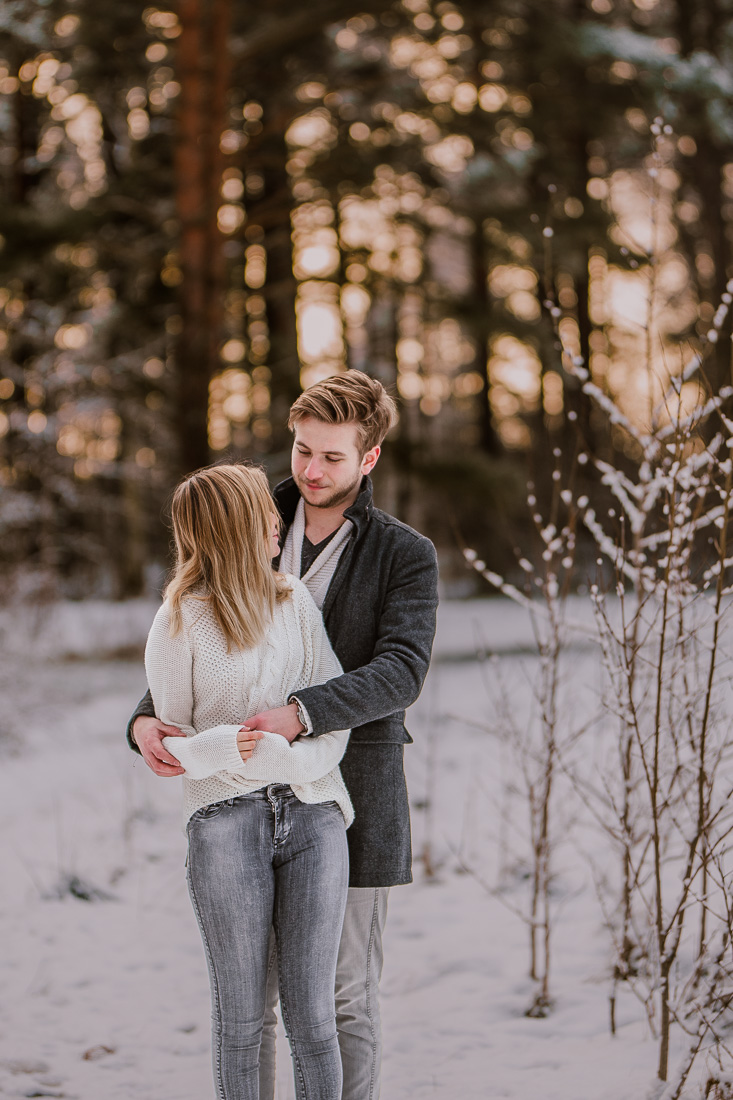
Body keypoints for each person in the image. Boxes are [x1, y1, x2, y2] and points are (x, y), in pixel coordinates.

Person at [128, 370, 440, 1100]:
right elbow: (193, 622)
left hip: (349, 789)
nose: (308, 470)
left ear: (368, 459)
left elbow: (401, 670)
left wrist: (303, 712)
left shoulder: (403, 553)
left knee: (342, 997)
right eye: (302, 449)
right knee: (252, 1011)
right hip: (235, 797)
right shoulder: (250, 509)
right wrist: (145, 716)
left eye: (331, 457)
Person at [142, 462, 353, 1100]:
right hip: (223, 822)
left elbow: (331, 716)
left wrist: (288, 760)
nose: (276, 520)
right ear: (236, 528)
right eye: (264, 511)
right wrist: (224, 747)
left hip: (314, 814)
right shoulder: (179, 621)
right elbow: (170, 741)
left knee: (313, 1016)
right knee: (239, 1017)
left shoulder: (294, 604)